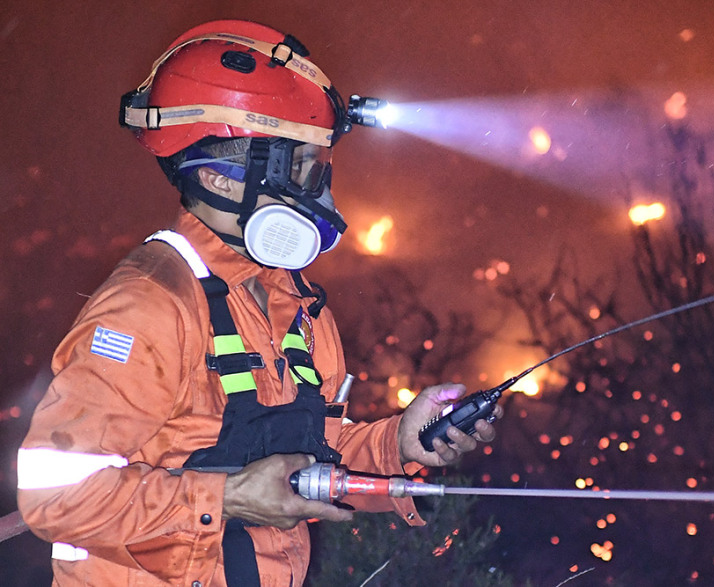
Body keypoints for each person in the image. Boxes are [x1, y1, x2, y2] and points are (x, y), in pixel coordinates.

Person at [17, 20, 500, 586]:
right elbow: (53, 495)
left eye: (318, 167)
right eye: (299, 167)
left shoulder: (293, 300)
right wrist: (227, 497)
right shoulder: (150, 304)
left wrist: (396, 443)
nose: (319, 191)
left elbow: (308, 452)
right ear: (220, 179)